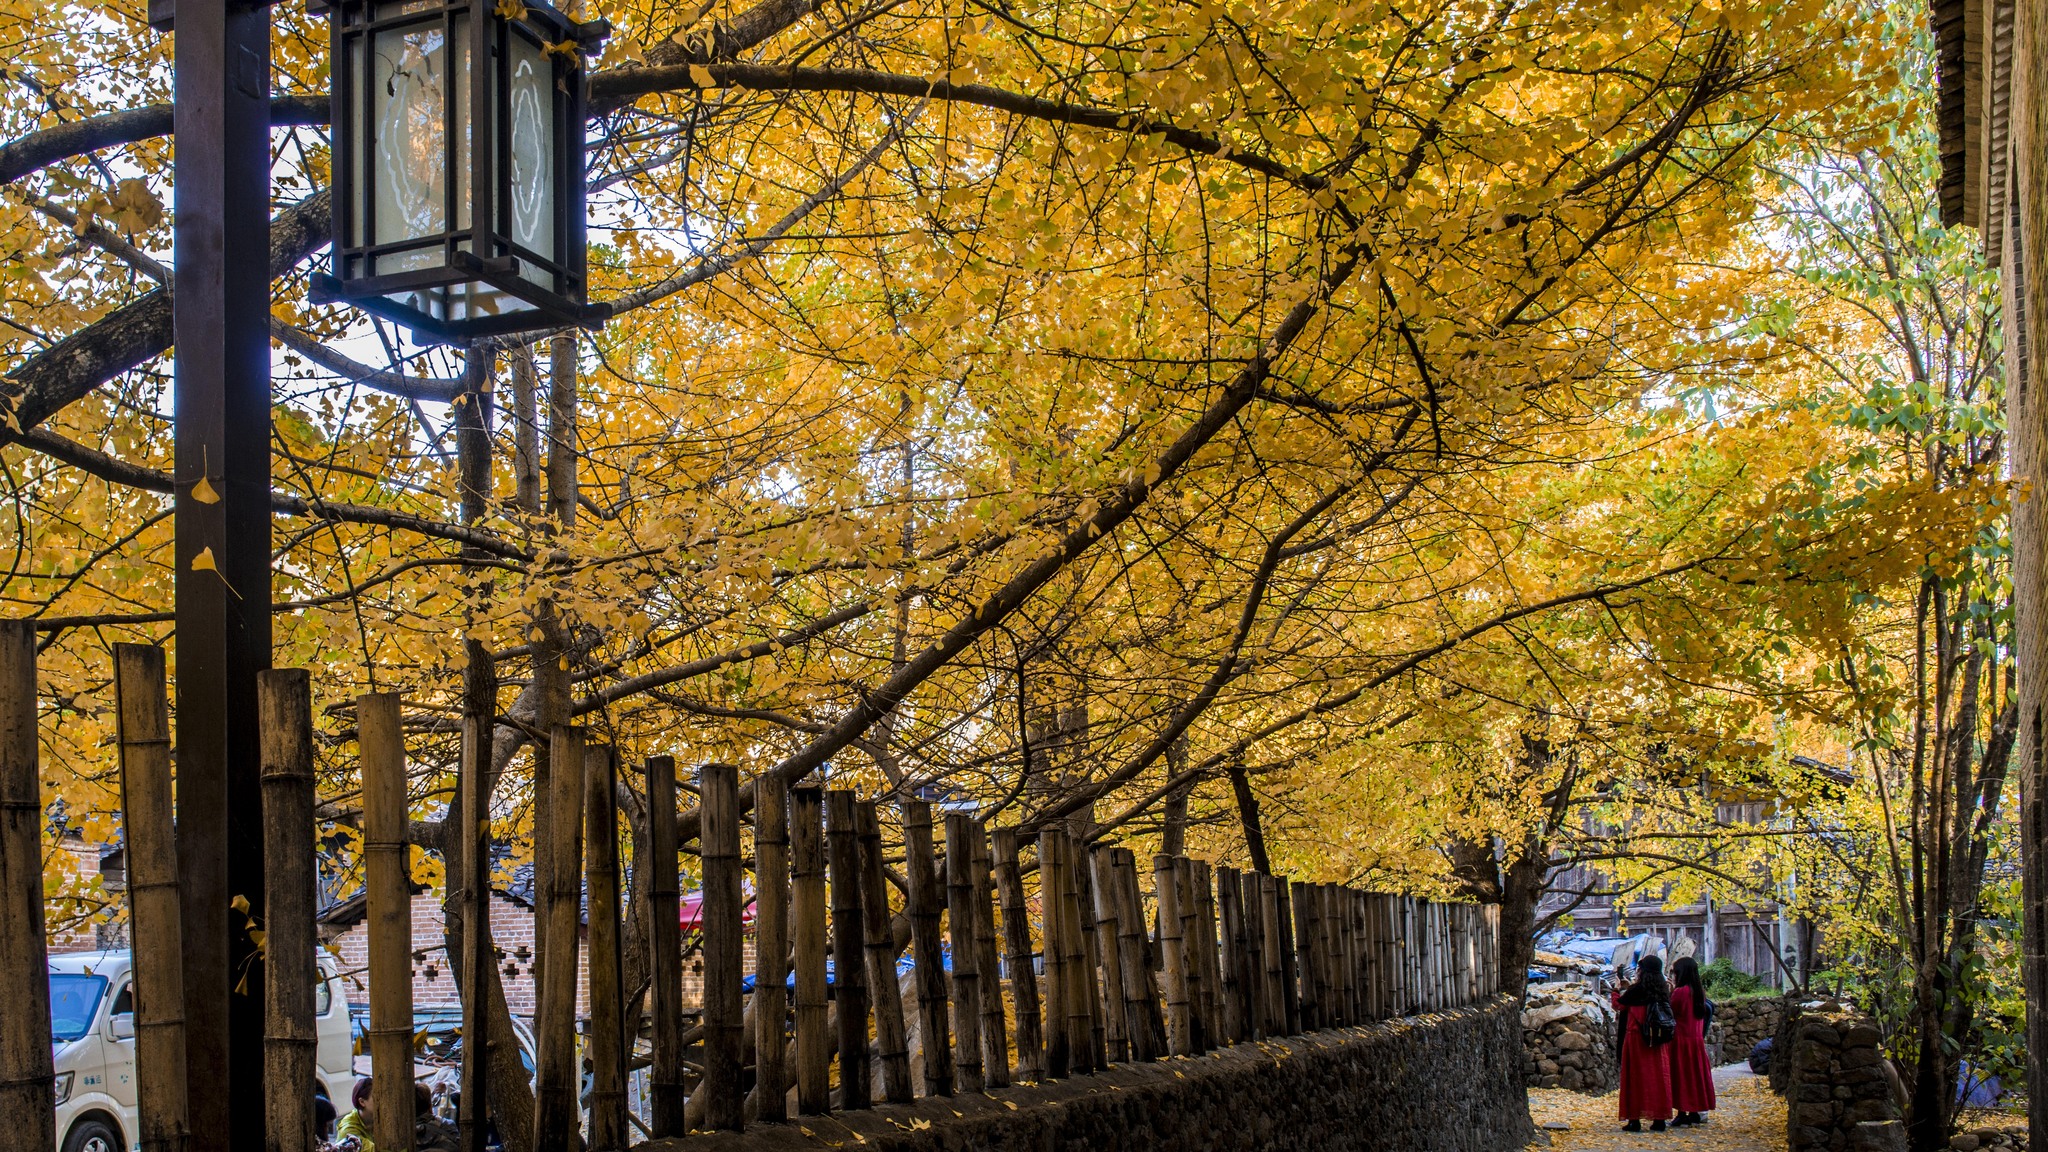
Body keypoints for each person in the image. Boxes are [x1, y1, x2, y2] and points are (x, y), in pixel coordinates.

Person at [1610, 954, 1675, 1133]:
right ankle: (1659, 1118)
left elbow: (1619, 1005)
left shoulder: (1636, 991)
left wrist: (1615, 990)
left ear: (1642, 971)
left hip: (1636, 1039)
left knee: (1635, 1078)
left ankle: (1634, 1119)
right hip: (1657, 1039)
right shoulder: (1662, 990)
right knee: (1658, 1078)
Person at [1668, 956, 1718, 1126]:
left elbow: (1672, 1012)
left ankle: (1682, 1112)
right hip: (1695, 1041)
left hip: (1681, 1040)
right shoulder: (1698, 992)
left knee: (1681, 1076)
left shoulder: (1680, 992)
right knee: (1695, 1077)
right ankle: (1694, 1111)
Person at [331, 1078, 375, 1151]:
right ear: (362, 1102)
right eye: (376, 1098)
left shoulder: (377, 1119)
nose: (383, 1101)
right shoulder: (348, 1130)